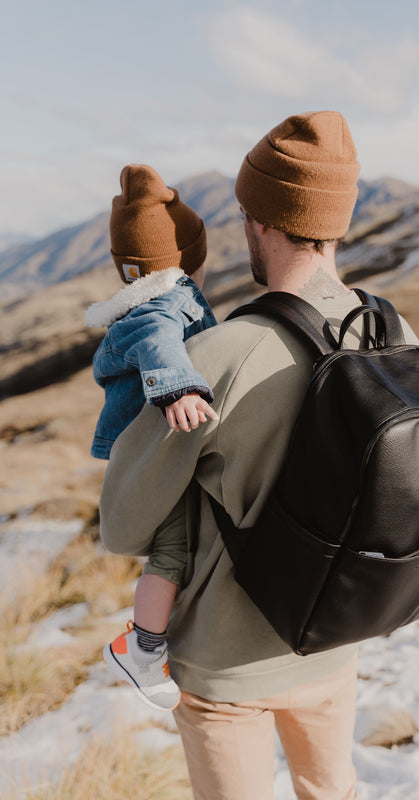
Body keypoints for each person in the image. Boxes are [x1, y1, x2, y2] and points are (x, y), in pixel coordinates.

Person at [99, 111, 419, 799]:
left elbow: (124, 522)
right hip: (335, 637)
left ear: (260, 220)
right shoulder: (392, 333)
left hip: (225, 665)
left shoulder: (218, 356)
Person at [85, 163, 218, 711]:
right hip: (151, 454)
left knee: (176, 547)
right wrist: (179, 388)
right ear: (185, 262)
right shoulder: (165, 305)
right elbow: (158, 340)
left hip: (154, 454)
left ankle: (148, 636)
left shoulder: (152, 298)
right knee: (170, 552)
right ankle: (141, 647)